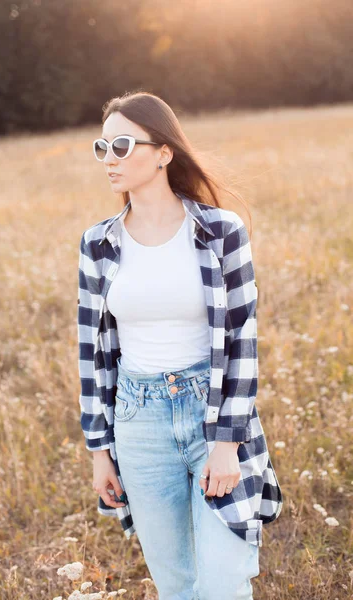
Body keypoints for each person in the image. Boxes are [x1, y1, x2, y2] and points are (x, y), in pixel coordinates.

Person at [77, 91, 283, 600]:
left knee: (223, 582)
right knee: (176, 586)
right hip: (137, 421)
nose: (110, 158)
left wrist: (226, 443)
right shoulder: (98, 244)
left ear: (164, 152)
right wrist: (99, 450)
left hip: (211, 416)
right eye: (102, 147)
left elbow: (242, 342)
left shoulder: (220, 232)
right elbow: (92, 352)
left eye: (122, 145)